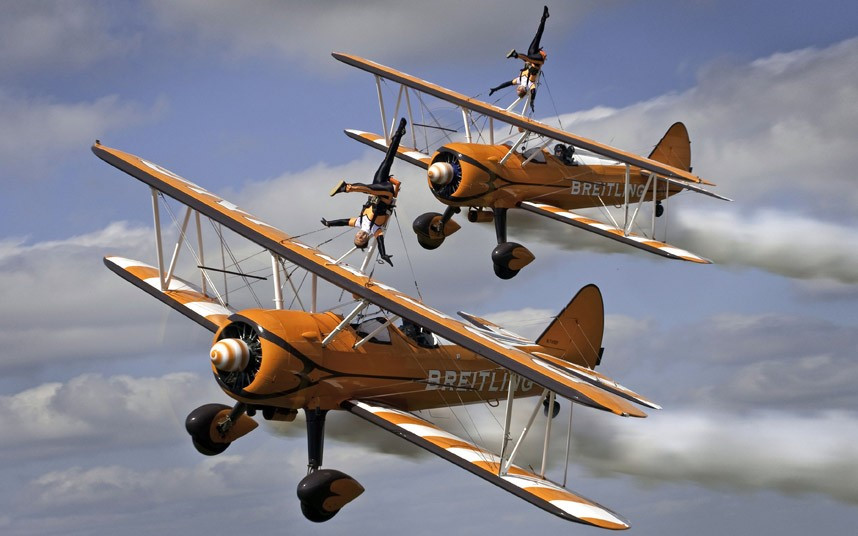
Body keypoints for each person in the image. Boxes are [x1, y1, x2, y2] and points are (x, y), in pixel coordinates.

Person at [321, 118, 407, 266]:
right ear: (366, 239)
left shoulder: (359, 222)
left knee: (388, 160)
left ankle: (399, 133)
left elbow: (342, 222)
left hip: (376, 190)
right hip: (386, 195)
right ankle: (347, 187)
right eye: (361, 238)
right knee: (370, 188)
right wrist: (384, 254)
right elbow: (380, 243)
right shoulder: (376, 231)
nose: (359, 235)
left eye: (357, 237)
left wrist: (329, 223)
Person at [489, 6, 549, 113]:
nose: (517, 89)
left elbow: (506, 84)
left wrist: (496, 89)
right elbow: (534, 92)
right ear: (522, 90)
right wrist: (532, 102)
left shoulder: (519, 80)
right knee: (529, 61)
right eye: (518, 90)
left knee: (537, 35)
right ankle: (515, 55)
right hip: (538, 61)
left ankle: (544, 17)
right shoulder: (530, 85)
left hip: (531, 55)